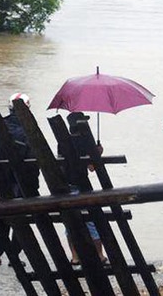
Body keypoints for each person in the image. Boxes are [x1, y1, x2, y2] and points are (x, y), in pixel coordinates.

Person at [0, 92, 39, 266]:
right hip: (21, 183)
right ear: (28, 108)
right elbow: (33, 158)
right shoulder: (29, 128)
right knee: (21, 220)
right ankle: (14, 257)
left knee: (2, 218)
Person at [62, 112, 107, 266]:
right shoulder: (86, 140)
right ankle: (100, 254)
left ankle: (75, 256)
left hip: (66, 186)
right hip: (82, 185)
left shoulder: (63, 140)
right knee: (92, 221)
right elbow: (92, 168)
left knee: (70, 223)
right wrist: (98, 153)